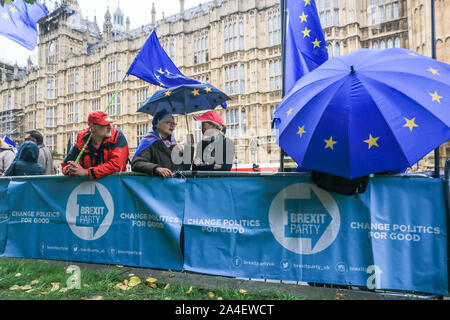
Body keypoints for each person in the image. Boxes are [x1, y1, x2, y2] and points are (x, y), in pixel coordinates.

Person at [61, 111, 129, 180]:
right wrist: (69, 170)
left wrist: (86, 172)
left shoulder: (118, 137)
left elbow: (116, 165)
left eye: (110, 123)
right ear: (93, 127)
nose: (110, 127)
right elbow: (65, 164)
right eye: (105, 124)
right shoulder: (82, 141)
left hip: (114, 187)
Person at [132, 110, 191, 178]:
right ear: (157, 123)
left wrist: (189, 147)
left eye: (174, 123)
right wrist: (156, 168)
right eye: (168, 122)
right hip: (159, 186)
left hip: (176, 186)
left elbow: (185, 167)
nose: (172, 126)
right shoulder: (149, 142)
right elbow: (136, 163)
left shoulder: (173, 144)